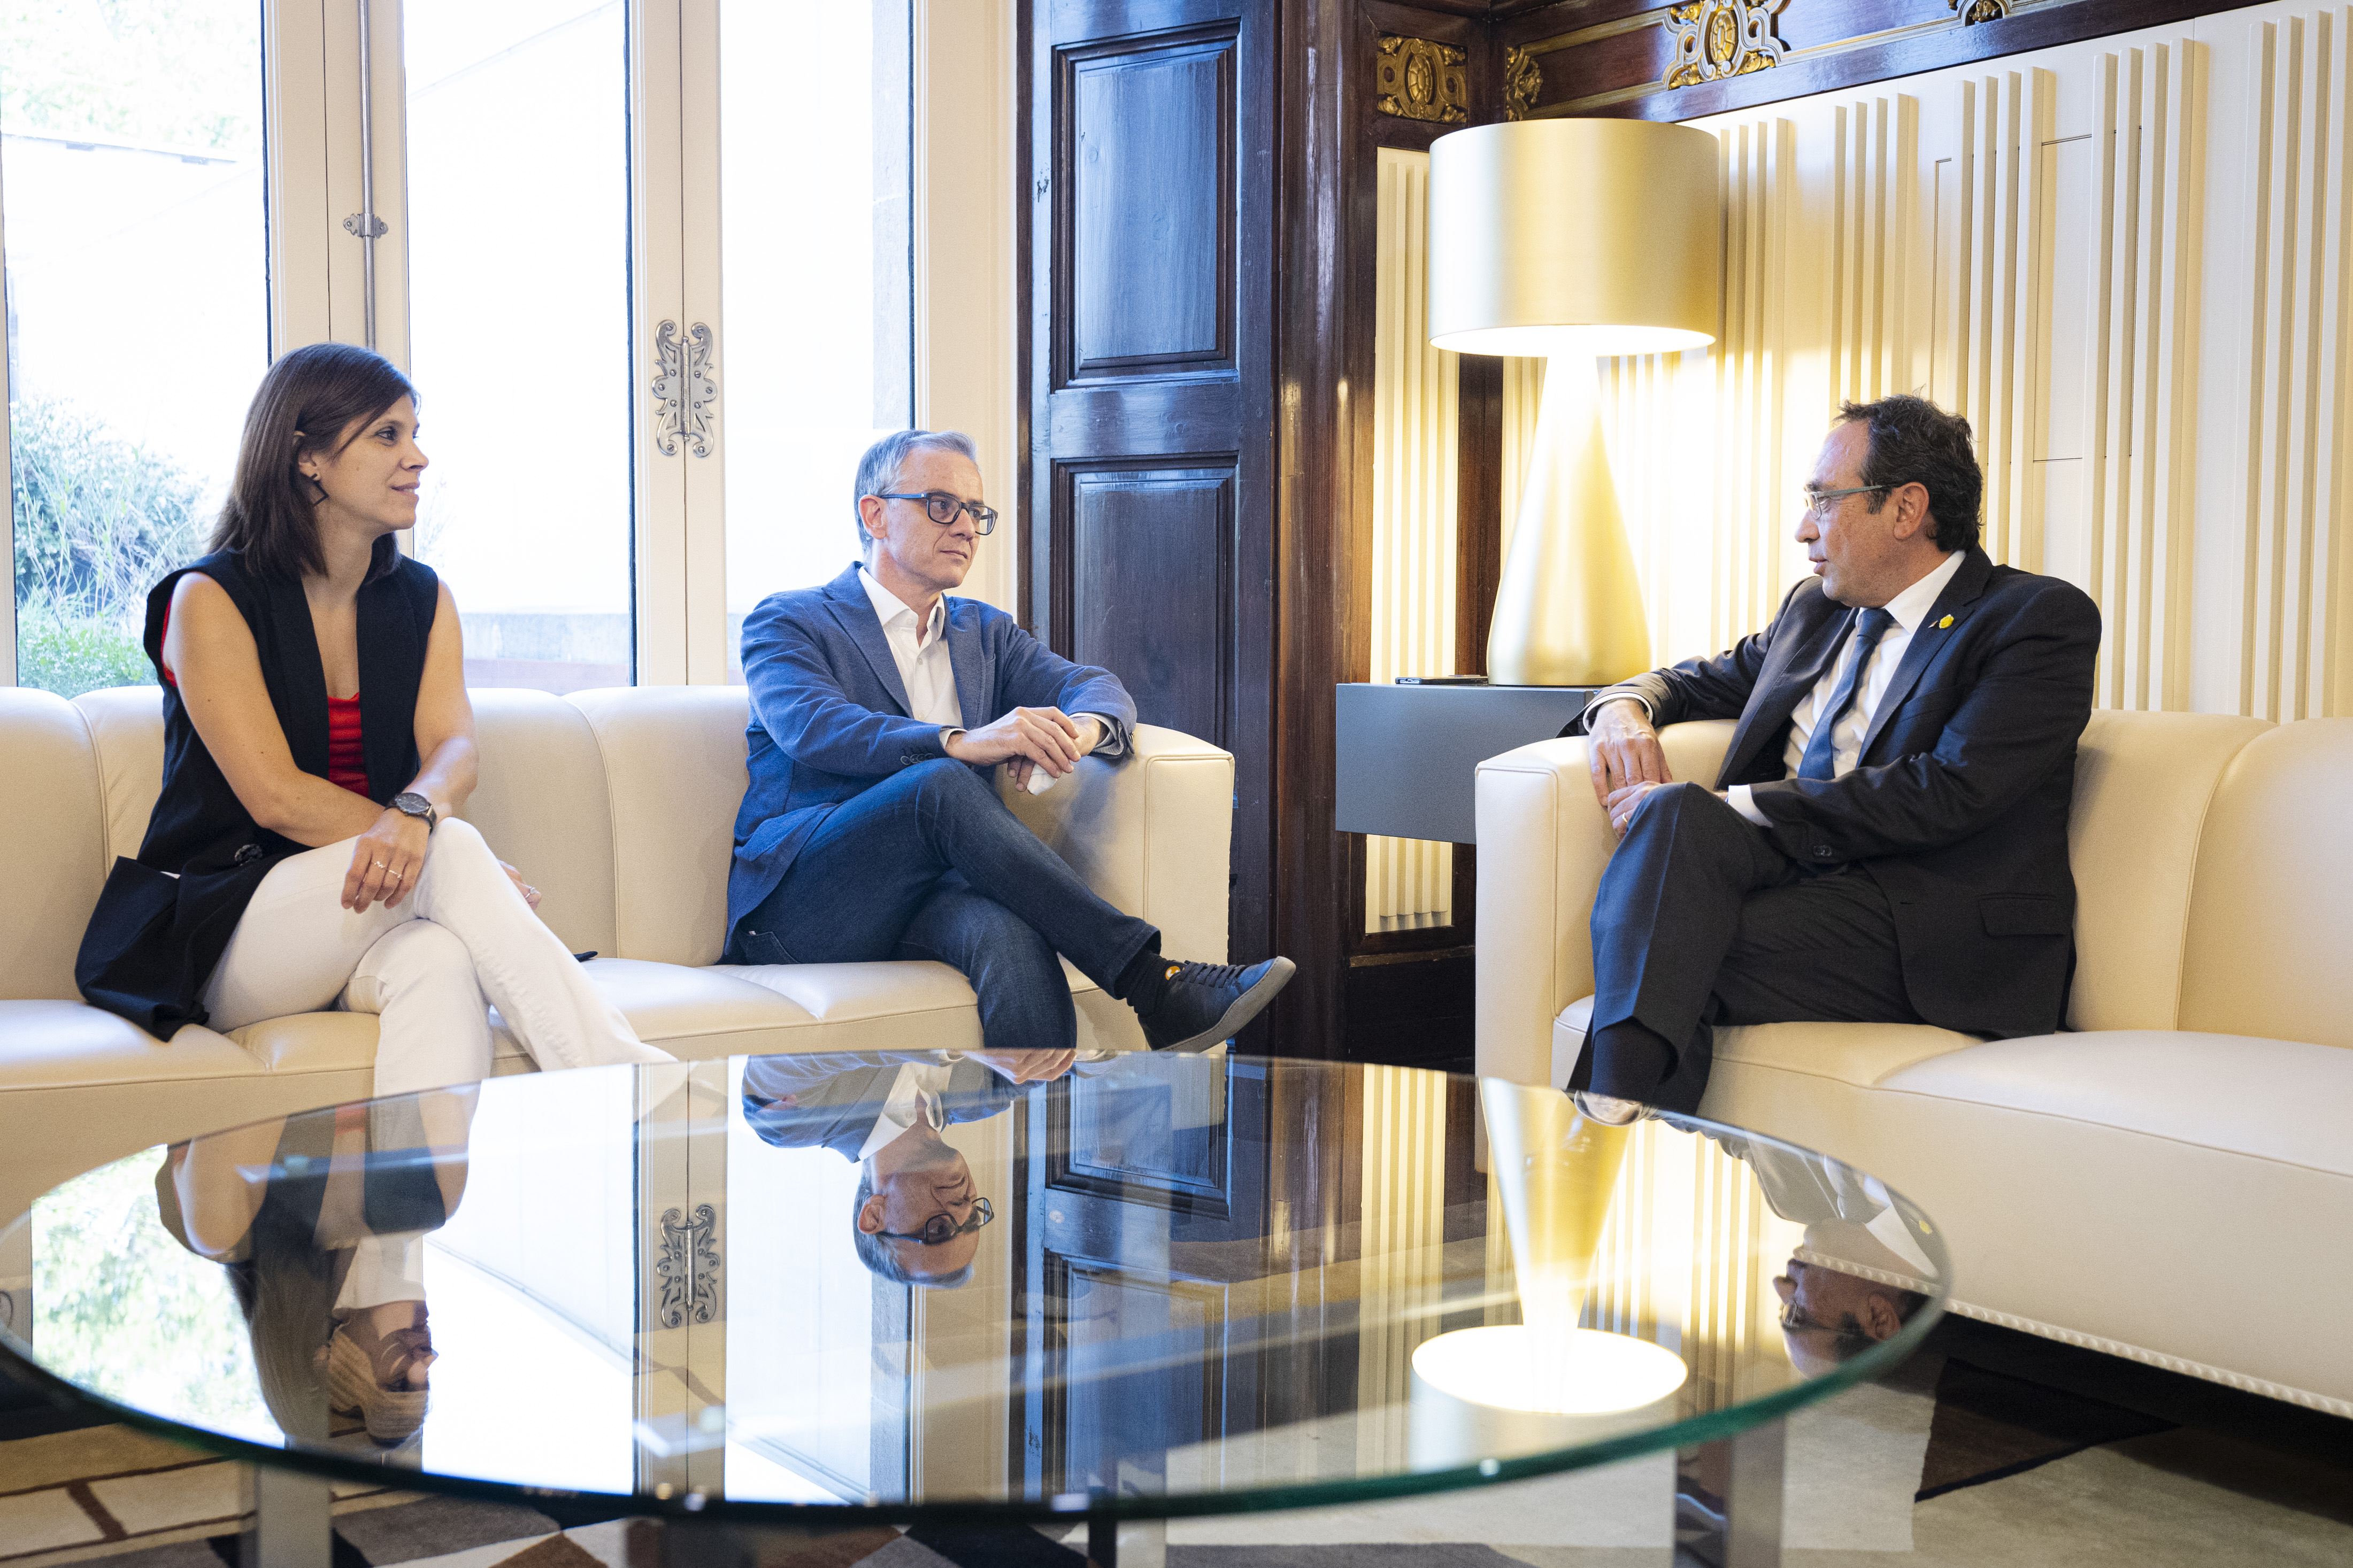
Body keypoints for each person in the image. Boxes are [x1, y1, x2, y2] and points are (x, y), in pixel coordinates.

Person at [74, 342, 671, 1095]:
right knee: (452, 851)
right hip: (224, 926)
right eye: (387, 435)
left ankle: (404, 1207)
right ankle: (632, 1092)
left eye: (415, 433)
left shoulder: (423, 599)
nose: (417, 457)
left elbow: (455, 749)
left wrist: (418, 820)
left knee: (442, 963)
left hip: (365, 911)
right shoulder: (210, 598)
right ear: (308, 457)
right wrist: (435, 852)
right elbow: (274, 795)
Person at [1568, 394, 2099, 1121]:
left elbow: (1949, 790)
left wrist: (1744, 804)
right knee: (1672, 825)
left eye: (1824, 499)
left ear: (1906, 509)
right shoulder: (1816, 609)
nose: (1803, 529)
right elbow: (1692, 681)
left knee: (1664, 944)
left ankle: (1607, 1125)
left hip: (1921, 914)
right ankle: (1621, 1117)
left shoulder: (2032, 620)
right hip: (1795, 880)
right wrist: (1622, 710)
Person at [726, 429, 1293, 1057]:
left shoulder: (982, 633)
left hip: (922, 897)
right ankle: (1150, 982)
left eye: (976, 512)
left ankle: (1032, 1146)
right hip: (800, 906)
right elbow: (813, 726)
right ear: (875, 513)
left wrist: (1073, 733)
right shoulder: (790, 619)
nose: (966, 526)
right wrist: (961, 741)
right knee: (936, 784)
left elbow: (1093, 685)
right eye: (943, 505)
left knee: (1012, 935)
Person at [156, 1090, 477, 1447]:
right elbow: (444, 1069)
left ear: (324, 1360)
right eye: (425, 1383)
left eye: (397, 1384)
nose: (427, 1360)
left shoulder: (223, 1230)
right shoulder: (435, 1203)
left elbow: (261, 1082)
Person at [740, 1048, 1077, 1289]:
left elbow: (788, 1050)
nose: (964, 1208)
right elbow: (1084, 1053)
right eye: (973, 1220)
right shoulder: (981, 1098)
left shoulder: (795, 1125)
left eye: (940, 1230)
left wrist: (949, 1043)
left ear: (875, 1215)